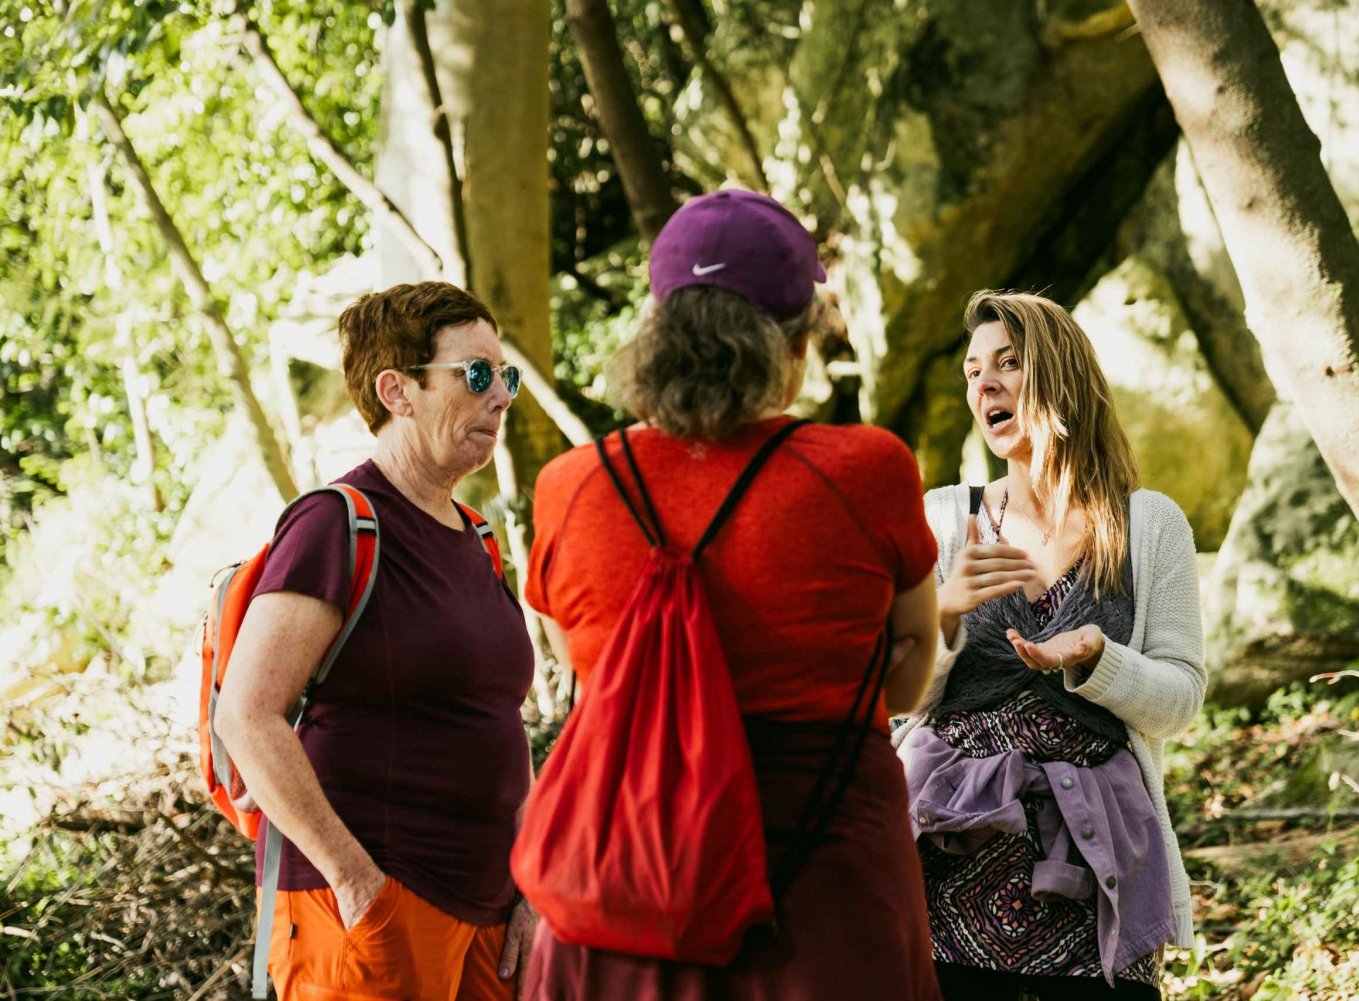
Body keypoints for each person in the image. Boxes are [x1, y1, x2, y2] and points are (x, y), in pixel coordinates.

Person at [520, 188, 943, 1000]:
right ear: (795, 342)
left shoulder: (570, 486)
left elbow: (577, 653)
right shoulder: (867, 468)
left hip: (624, 886)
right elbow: (912, 657)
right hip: (822, 894)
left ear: (658, 333)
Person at [215, 282, 538, 1001]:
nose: (502, 396)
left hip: (489, 915)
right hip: (374, 907)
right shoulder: (338, 523)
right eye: (477, 374)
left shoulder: (478, 539)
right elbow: (247, 713)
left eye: (506, 375)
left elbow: (497, 722)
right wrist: (355, 880)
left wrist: (531, 883)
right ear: (398, 391)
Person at [892, 291, 1205, 1000]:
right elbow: (890, 695)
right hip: (946, 863)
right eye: (973, 372)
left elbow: (1181, 699)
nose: (985, 385)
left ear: (1060, 375)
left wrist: (1101, 658)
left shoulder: (1149, 525)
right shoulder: (944, 518)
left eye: (1008, 362)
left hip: (1097, 870)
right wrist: (945, 611)